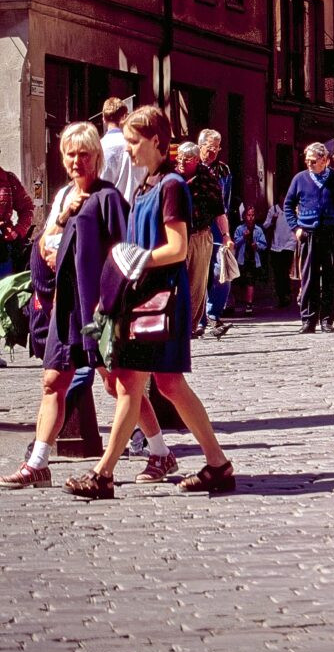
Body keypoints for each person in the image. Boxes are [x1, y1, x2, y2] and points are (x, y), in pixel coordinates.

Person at [63, 105, 235, 498]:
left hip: (159, 300)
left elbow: (176, 248)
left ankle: (103, 474)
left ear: (157, 141)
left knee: (130, 383)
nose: (129, 151)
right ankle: (218, 464)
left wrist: (137, 257)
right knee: (170, 384)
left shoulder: (171, 185)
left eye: (134, 142)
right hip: (145, 298)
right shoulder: (146, 186)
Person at [0, 123, 172, 490]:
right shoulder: (65, 196)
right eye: (70, 154)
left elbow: (124, 254)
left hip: (98, 311)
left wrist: (114, 307)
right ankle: (38, 463)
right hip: (65, 310)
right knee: (52, 382)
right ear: (63, 158)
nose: (77, 160)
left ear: (97, 157)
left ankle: (159, 451)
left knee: (117, 385)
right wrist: (60, 222)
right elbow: (48, 242)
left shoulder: (108, 198)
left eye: (84, 154)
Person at [283, 141, 334, 334]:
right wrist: (296, 227)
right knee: (309, 278)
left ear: (324, 160)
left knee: (330, 278)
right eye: (307, 161)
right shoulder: (300, 178)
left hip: (331, 234)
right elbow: (288, 204)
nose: (309, 164)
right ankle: (308, 320)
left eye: (313, 161)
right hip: (308, 234)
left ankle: (327, 320)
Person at [175, 141, 226, 337]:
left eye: (185, 159)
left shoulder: (208, 178)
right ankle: (176, 325)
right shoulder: (172, 176)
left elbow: (219, 209)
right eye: (178, 157)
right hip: (177, 234)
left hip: (200, 234)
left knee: (197, 283)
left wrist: (226, 235)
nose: (180, 162)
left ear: (196, 160)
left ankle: (190, 325)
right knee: (177, 282)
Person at [197, 129, 235, 336]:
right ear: (200, 145)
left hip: (218, 225)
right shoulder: (192, 166)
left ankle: (214, 313)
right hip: (197, 225)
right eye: (210, 148)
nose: (214, 152)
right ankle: (199, 318)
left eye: (217, 148)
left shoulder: (224, 170)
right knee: (199, 271)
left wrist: (226, 230)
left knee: (222, 272)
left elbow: (226, 201)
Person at [99, 97, 144, 203]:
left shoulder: (98, 147)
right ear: (124, 117)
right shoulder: (138, 145)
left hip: (110, 209)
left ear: (104, 119)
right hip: (134, 208)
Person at [0, 158, 35, 280]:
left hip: (3, 249)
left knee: (4, 292)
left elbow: (27, 208)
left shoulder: (8, 179)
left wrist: (18, 231)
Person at [232, 205, 267, 315]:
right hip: (241, 259)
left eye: (253, 215)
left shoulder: (258, 230)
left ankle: (249, 304)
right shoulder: (240, 229)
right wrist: (243, 237)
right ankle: (237, 302)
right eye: (248, 215)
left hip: (253, 259)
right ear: (244, 216)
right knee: (240, 282)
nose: (251, 217)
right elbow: (235, 243)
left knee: (250, 281)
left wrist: (256, 245)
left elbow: (264, 245)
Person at [263, 199, 297, 307]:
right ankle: (281, 296)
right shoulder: (273, 210)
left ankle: (287, 294)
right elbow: (265, 225)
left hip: (289, 244)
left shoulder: (292, 209)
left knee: (285, 270)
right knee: (278, 272)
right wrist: (273, 220)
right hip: (276, 245)